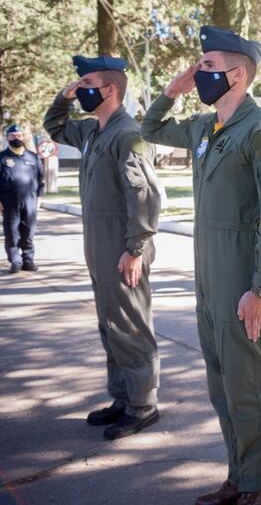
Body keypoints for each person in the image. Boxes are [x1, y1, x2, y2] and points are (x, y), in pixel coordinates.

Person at [141, 26, 261, 505]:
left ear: (238, 75)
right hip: (207, 272)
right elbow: (149, 130)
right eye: (199, 66)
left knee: (249, 382)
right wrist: (172, 91)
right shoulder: (204, 128)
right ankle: (239, 475)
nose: (199, 73)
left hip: (240, 273)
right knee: (222, 383)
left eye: (208, 67)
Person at [43, 56, 162, 439]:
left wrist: (135, 248)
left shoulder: (127, 134)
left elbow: (143, 194)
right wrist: (64, 97)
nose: (81, 89)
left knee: (130, 327)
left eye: (87, 83)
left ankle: (143, 406)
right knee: (111, 326)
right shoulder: (94, 131)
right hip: (100, 245)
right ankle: (124, 397)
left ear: (110, 89)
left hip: (123, 247)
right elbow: (55, 126)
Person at [0, 123, 44, 274]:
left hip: (30, 201)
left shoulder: (33, 157)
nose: (16, 138)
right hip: (9, 202)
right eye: (12, 136)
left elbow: (40, 178)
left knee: (28, 232)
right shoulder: (2, 158)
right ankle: (15, 261)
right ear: (7, 137)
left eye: (19, 136)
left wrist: (39, 197)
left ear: (23, 137)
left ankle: (28, 260)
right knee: (12, 233)